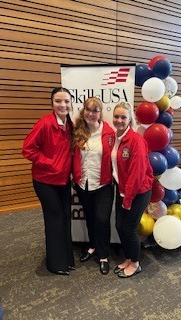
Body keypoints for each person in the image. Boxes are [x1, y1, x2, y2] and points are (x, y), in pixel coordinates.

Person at [22, 87, 74, 275]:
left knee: (65, 218)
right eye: (58, 101)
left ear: (71, 103)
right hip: (45, 182)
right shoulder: (44, 124)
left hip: (63, 181)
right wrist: (51, 164)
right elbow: (27, 150)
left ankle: (67, 259)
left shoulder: (70, 124)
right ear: (51, 103)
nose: (63, 105)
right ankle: (55, 264)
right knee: (55, 219)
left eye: (66, 101)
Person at [72, 97, 115, 275]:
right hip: (83, 184)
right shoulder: (78, 132)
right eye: (88, 110)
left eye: (95, 110)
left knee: (102, 220)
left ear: (100, 113)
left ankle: (103, 255)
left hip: (103, 184)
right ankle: (92, 246)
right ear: (84, 111)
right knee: (89, 217)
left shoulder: (109, 133)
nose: (91, 113)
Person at [111, 102, 154, 278]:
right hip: (123, 189)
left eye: (123, 117)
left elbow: (136, 174)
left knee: (129, 228)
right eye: (116, 116)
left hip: (137, 191)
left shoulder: (136, 140)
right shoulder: (116, 137)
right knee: (120, 226)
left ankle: (135, 264)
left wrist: (127, 199)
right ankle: (128, 258)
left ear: (130, 120)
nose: (119, 120)